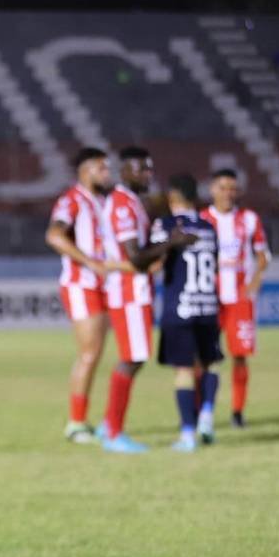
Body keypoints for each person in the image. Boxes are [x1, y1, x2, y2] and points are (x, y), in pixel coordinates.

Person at [150, 174, 221, 452]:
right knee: (210, 364)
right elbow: (214, 263)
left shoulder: (166, 225)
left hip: (180, 307)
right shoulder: (208, 227)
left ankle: (188, 435)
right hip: (208, 306)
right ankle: (206, 416)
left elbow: (155, 262)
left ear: (172, 196)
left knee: (183, 371)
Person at [46, 148, 112, 444]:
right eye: (102, 168)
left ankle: (87, 420)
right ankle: (76, 423)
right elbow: (54, 235)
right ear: (85, 170)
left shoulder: (104, 201)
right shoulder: (71, 200)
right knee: (89, 353)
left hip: (104, 285)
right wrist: (89, 262)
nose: (107, 173)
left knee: (96, 353)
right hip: (81, 284)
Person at [97, 146, 159, 453]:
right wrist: (168, 244)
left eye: (149, 168)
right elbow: (135, 256)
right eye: (141, 169)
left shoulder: (131, 201)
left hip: (134, 289)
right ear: (124, 172)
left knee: (134, 357)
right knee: (132, 358)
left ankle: (108, 424)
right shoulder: (122, 205)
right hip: (129, 290)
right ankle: (113, 432)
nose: (147, 174)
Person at [201, 169, 270, 429]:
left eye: (232, 188)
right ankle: (203, 409)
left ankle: (237, 412)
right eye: (222, 187)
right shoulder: (202, 220)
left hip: (240, 300)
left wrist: (256, 280)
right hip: (209, 298)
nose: (228, 193)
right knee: (206, 356)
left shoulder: (249, 219)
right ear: (212, 189)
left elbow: (263, 255)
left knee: (240, 355)